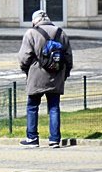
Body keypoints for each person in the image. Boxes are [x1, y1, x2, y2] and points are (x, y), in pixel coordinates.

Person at [18, 9, 73, 148]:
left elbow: (24, 58)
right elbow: (68, 57)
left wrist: (27, 72)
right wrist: (64, 74)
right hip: (56, 76)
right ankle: (54, 139)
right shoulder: (61, 33)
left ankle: (32, 138)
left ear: (34, 20)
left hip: (36, 76)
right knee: (54, 107)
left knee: (32, 107)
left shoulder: (31, 33)